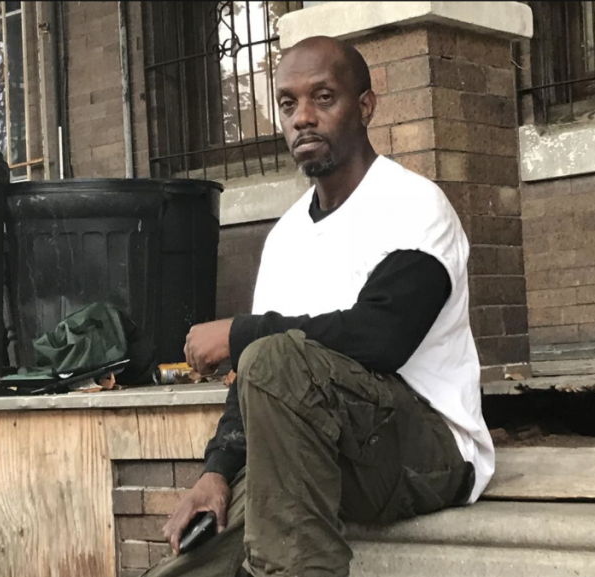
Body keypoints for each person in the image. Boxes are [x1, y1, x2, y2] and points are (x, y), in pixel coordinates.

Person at [143, 35, 494, 577]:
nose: (303, 117)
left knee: (271, 357)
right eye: (288, 104)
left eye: (323, 98)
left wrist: (242, 334)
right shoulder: (286, 235)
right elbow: (256, 382)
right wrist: (215, 470)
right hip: (322, 449)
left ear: (365, 106)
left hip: (429, 451)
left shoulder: (415, 207)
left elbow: (382, 338)